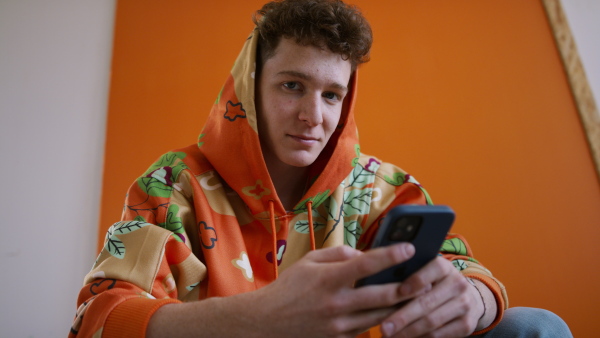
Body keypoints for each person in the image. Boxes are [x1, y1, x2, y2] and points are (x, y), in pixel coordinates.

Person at [70, 0, 572, 337]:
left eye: (332, 94)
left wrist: (475, 301)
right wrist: (261, 318)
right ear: (249, 88)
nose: (315, 116)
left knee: (537, 327)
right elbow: (99, 316)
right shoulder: (172, 184)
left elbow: (465, 270)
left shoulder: (381, 189)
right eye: (292, 86)